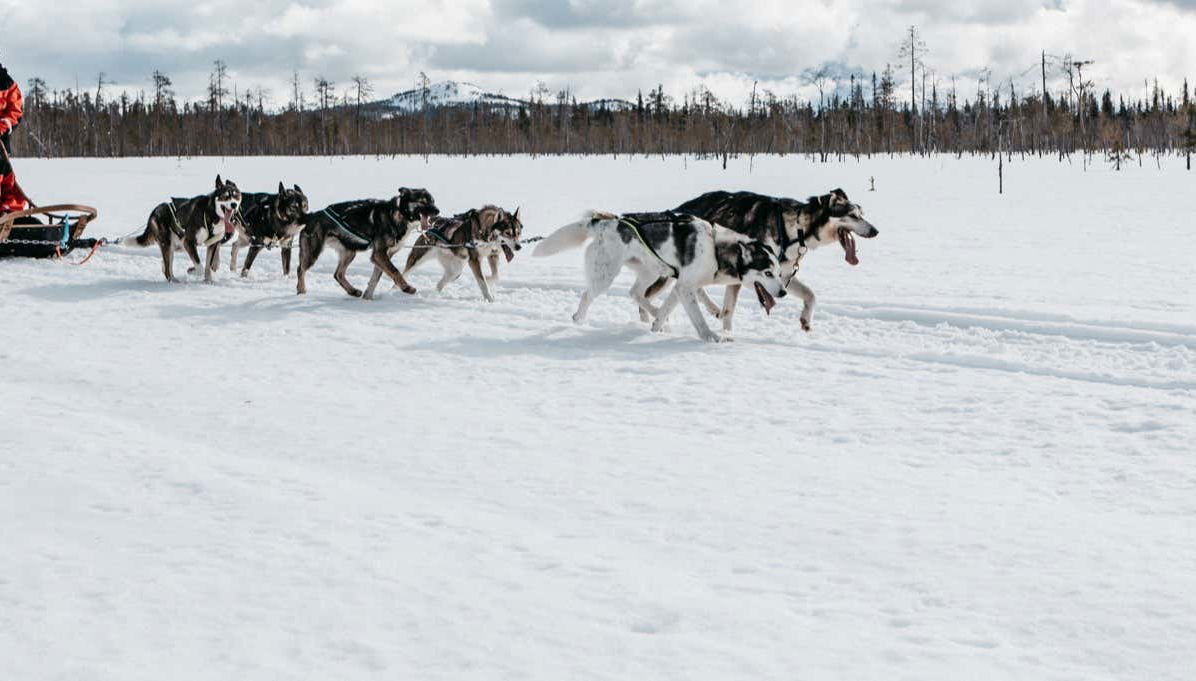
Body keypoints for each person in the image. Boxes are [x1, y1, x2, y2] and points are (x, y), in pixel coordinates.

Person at [0, 59, 29, 215]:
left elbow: (15, 109)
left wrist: (5, 123)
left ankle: (10, 213)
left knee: (6, 182)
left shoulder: (5, 82)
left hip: (1, 146)